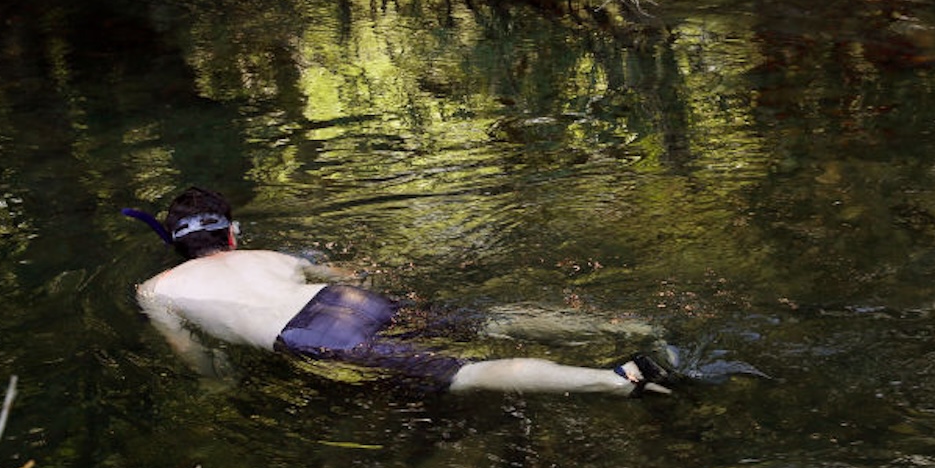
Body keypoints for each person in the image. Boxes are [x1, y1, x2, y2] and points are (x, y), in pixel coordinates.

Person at [128, 187, 675, 396]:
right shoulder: (270, 257)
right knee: (485, 321)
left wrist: (216, 383)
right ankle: (631, 325)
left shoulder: (156, 289)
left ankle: (618, 379)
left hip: (311, 337)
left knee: (465, 374)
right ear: (231, 234)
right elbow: (349, 273)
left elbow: (190, 351)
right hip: (345, 301)